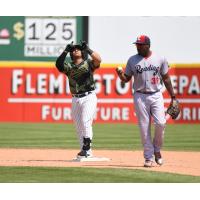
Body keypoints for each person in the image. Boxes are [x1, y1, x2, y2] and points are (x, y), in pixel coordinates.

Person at [116, 35, 177, 167]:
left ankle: (157, 149)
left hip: (156, 94)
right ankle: (148, 157)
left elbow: (166, 78)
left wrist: (173, 96)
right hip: (139, 96)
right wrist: (120, 74)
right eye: (136, 44)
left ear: (147, 45)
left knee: (160, 123)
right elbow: (126, 79)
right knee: (144, 128)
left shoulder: (160, 58)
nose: (137, 46)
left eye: (140, 44)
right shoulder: (132, 60)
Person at [55, 41, 101, 158]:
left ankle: (87, 148)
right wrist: (66, 50)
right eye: (73, 49)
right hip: (75, 98)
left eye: (78, 49)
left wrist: (88, 49)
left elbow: (98, 60)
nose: (75, 50)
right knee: (78, 126)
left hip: (89, 96)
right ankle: (84, 151)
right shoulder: (68, 66)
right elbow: (58, 65)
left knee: (86, 121)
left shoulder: (88, 63)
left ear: (82, 52)